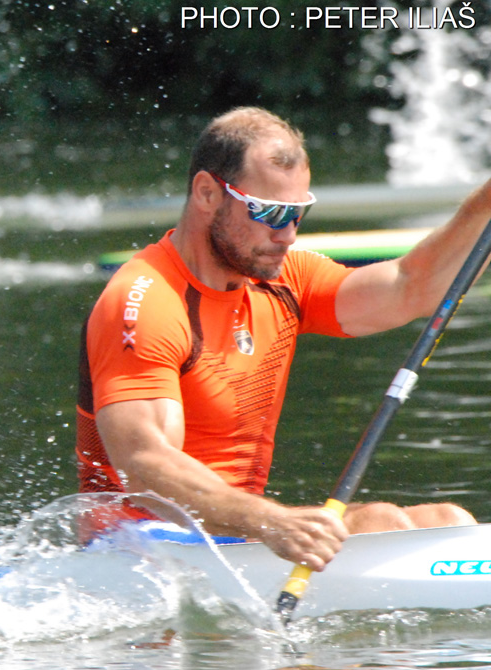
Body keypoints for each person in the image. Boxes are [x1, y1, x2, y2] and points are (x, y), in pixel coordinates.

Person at [75, 106, 488, 573]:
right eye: (269, 212)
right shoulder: (146, 301)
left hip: (233, 535)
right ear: (208, 193)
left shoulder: (282, 280)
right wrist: (273, 521)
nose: (287, 234)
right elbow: (145, 465)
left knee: (446, 522)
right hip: (135, 547)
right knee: (386, 527)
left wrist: (486, 203)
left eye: (298, 213)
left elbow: (410, 286)